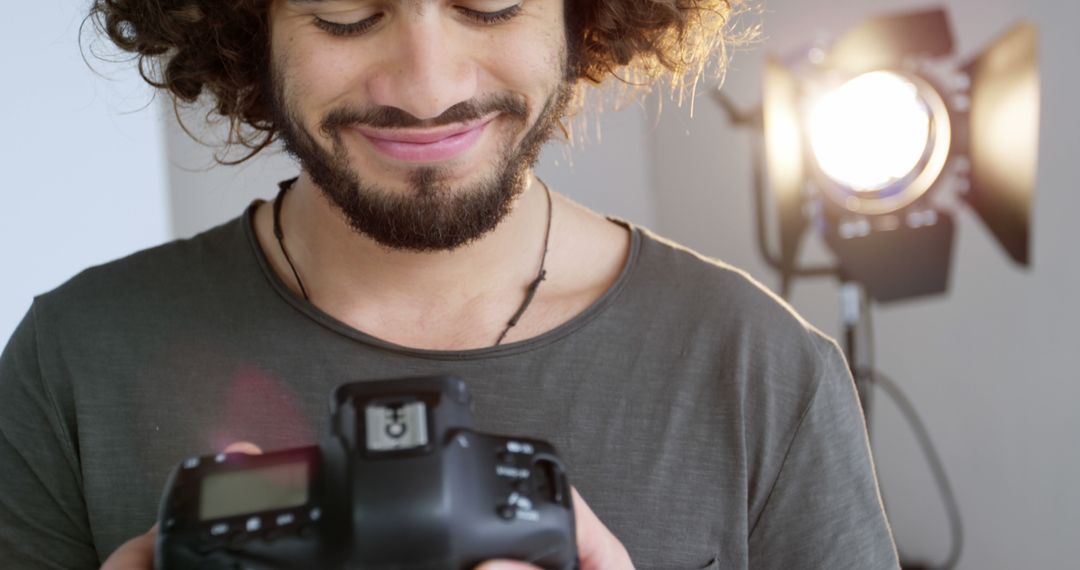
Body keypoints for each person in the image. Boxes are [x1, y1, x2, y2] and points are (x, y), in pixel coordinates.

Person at [0, 0, 899, 568]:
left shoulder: (763, 371)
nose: (427, 86)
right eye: (347, 10)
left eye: (491, 1)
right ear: (248, 23)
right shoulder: (73, 360)